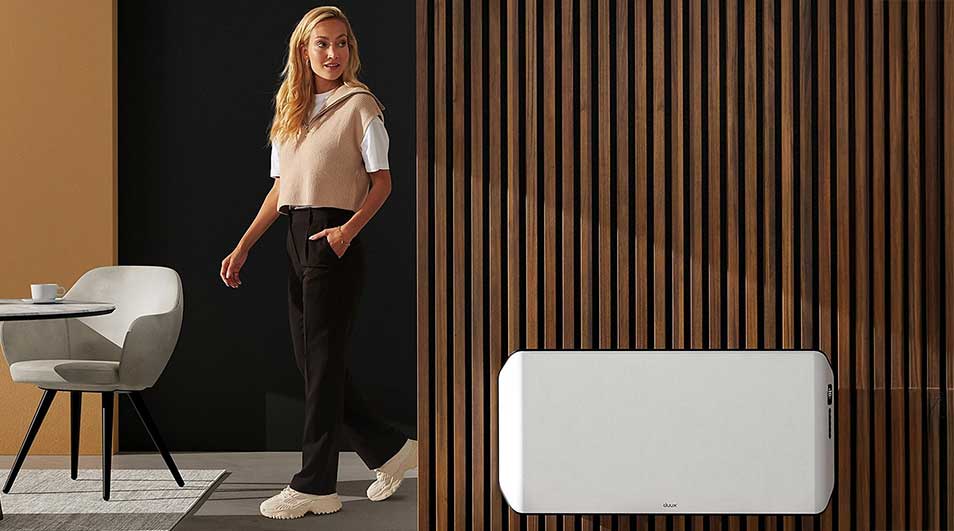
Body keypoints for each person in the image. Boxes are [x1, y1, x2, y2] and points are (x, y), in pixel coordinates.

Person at [219, 5, 418, 520]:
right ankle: (392, 450)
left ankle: (315, 485)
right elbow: (282, 188)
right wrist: (244, 245)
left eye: (342, 43)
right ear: (303, 51)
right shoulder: (291, 109)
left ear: (351, 49)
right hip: (296, 236)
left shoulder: (360, 106)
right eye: (323, 44)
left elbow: (383, 182)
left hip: (334, 238)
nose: (334, 54)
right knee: (315, 365)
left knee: (323, 365)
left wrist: (347, 232)